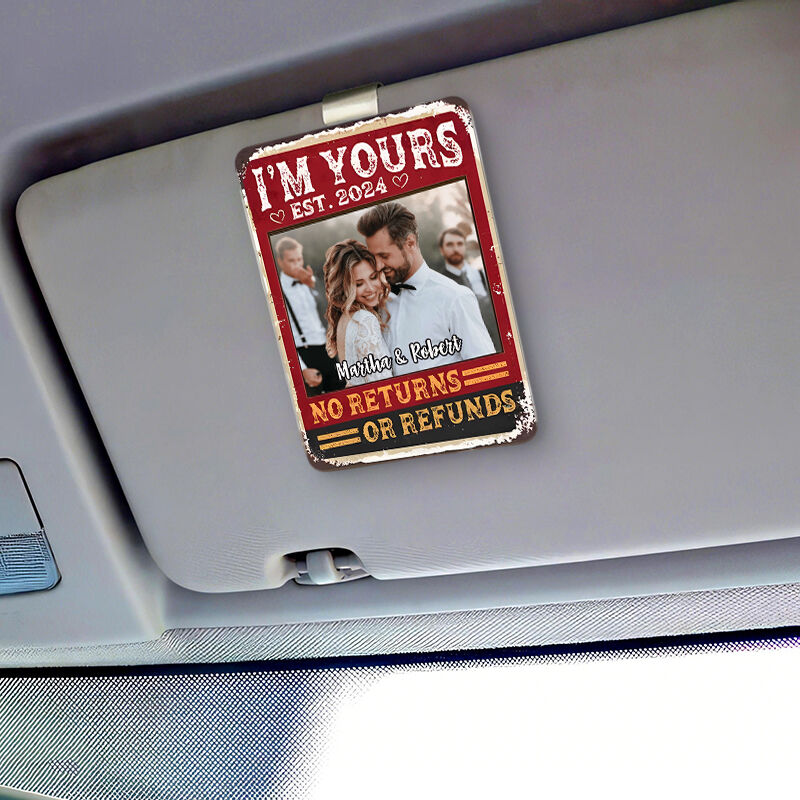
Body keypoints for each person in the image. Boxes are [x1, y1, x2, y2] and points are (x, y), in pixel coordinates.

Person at [357, 202, 495, 376]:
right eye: (374, 257)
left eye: (384, 256)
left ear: (410, 243)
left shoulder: (455, 298)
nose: (378, 266)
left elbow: (486, 372)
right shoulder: (379, 301)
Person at [274, 236, 345, 394]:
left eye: (299, 259)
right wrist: (301, 368)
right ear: (280, 262)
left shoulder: (310, 281)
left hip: (326, 350)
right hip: (304, 353)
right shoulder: (277, 291)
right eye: (291, 260)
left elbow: (330, 307)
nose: (297, 265)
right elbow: (281, 335)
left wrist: (312, 283)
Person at [323, 240, 393, 387]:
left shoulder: (345, 319)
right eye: (359, 284)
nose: (370, 288)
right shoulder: (364, 320)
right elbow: (383, 385)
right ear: (344, 287)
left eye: (373, 277)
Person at [438, 227, 501, 351]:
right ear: (442, 250)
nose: (456, 249)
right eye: (450, 244)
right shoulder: (440, 283)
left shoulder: (481, 273)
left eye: (460, 244)